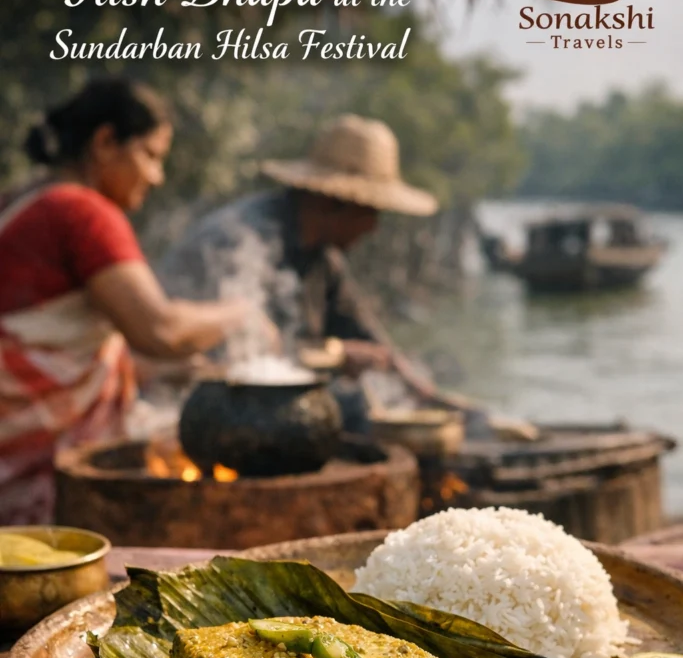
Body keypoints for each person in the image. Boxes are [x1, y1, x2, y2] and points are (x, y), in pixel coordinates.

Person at [0, 78, 277, 524]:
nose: (156, 176)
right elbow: (159, 330)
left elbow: (65, 349)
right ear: (106, 141)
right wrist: (242, 313)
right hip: (26, 479)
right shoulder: (81, 211)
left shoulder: (23, 197)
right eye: (150, 155)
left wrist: (192, 369)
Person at [158, 114, 443, 397]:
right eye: (369, 212)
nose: (373, 228)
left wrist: (414, 383)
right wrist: (338, 355)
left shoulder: (323, 258)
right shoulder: (241, 242)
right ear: (334, 202)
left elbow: (366, 338)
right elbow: (242, 356)